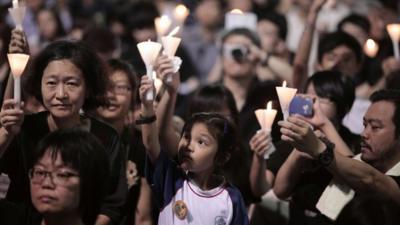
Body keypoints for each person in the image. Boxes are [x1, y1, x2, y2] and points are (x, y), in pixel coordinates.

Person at [0, 37, 126, 225]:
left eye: (71, 84)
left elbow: (111, 204)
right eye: (51, 83)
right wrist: (6, 134)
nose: (61, 94)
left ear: (89, 88)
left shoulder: (105, 137)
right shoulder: (23, 129)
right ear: (39, 85)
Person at [139, 75, 249, 224]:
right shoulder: (171, 180)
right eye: (186, 137)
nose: (188, 146)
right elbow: (151, 143)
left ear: (222, 157)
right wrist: (147, 107)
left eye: (201, 142)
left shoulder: (232, 198)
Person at [277, 89, 400, 222]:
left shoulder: (372, 175)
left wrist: (318, 148)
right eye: (364, 125)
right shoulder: (360, 163)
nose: (364, 134)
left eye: (375, 127)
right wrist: (322, 125)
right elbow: (347, 162)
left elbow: (371, 179)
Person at [0, 128, 110, 225]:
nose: (47, 184)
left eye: (62, 175)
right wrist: (6, 132)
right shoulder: (15, 219)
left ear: (91, 182)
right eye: (40, 172)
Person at [95, 59, 152, 225]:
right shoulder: (80, 140)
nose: (111, 95)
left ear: (134, 95)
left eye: (120, 88)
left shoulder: (140, 146)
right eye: (104, 87)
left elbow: (143, 216)